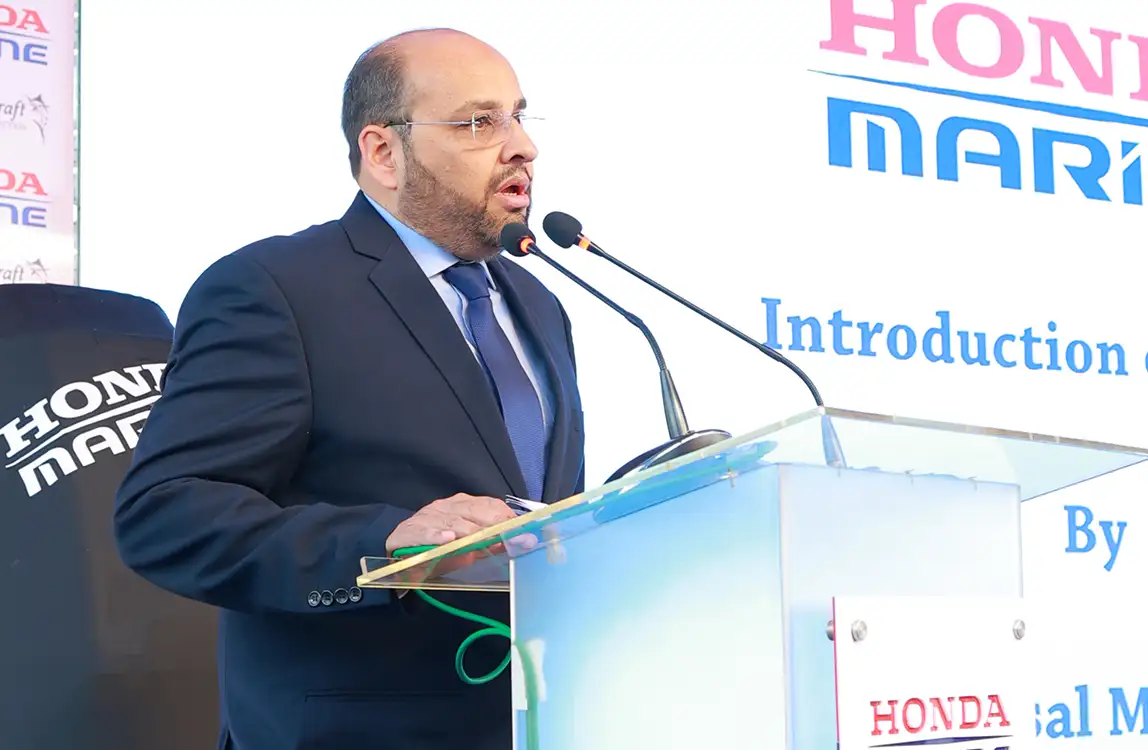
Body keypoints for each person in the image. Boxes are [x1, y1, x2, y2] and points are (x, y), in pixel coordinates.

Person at [113, 27, 585, 750]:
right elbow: (167, 514)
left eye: (518, 116)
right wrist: (385, 542)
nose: (523, 146)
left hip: (529, 726)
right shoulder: (277, 289)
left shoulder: (536, 304)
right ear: (383, 151)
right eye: (479, 122)